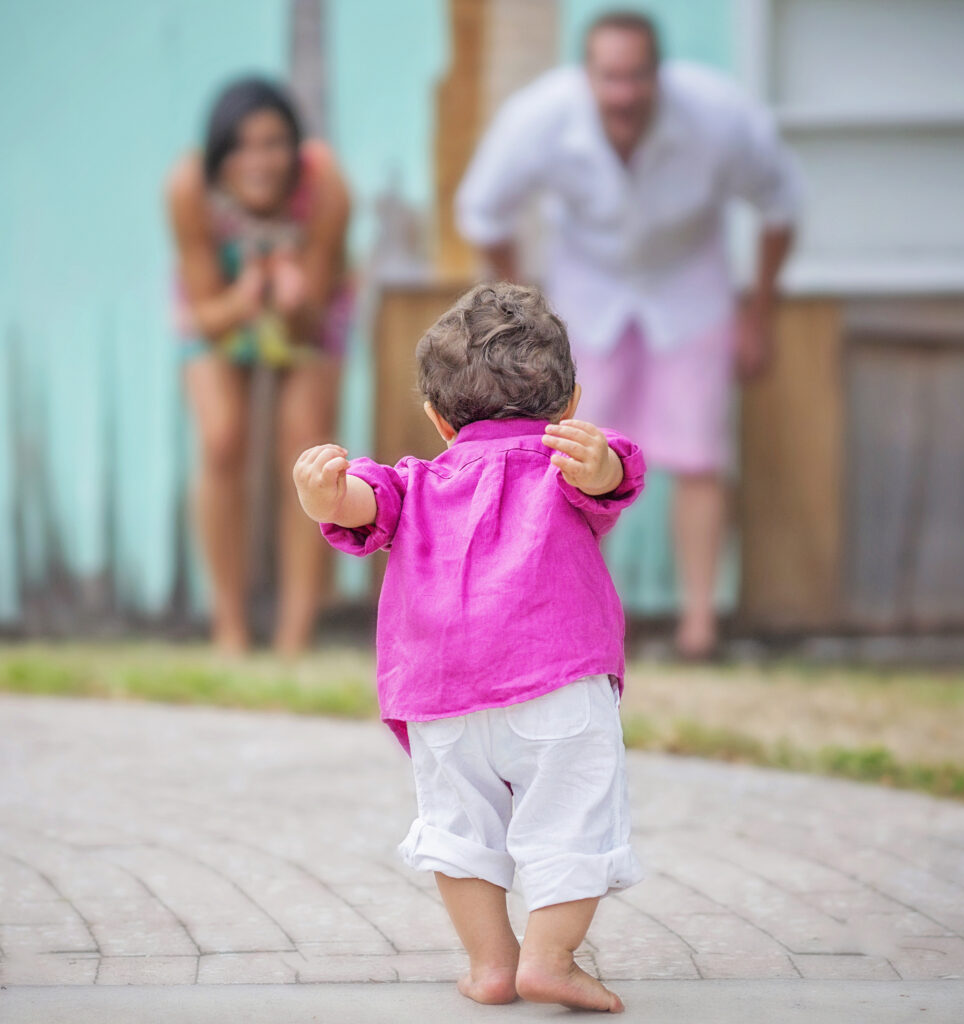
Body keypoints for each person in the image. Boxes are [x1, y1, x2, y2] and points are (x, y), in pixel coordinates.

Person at [294, 283, 645, 1012]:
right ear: (570, 404)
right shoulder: (565, 463)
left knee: (459, 831)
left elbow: (367, 500)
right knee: (573, 817)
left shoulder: (416, 482)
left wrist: (327, 498)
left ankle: (492, 966)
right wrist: (601, 466)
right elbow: (611, 474)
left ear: (438, 418)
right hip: (556, 680)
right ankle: (550, 959)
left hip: (442, 698)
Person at [456, 9, 802, 658]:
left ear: (659, 75)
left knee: (700, 455)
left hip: (692, 289)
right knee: (575, 458)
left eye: (637, 77)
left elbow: (781, 204)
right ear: (586, 76)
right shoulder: (539, 118)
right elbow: (482, 211)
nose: (624, 93)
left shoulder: (719, 115)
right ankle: (587, 623)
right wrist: (524, 313)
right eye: (610, 77)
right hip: (584, 296)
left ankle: (700, 629)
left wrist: (759, 314)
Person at [166, 77, 353, 655]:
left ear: (295, 148)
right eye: (241, 147)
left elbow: (311, 321)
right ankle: (229, 629)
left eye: (274, 144)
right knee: (222, 439)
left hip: (309, 311)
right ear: (218, 153)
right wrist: (245, 299)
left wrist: (293, 305)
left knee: (309, 449)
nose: (259, 161)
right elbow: (205, 316)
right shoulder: (188, 187)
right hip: (220, 307)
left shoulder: (326, 186)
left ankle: (295, 637)